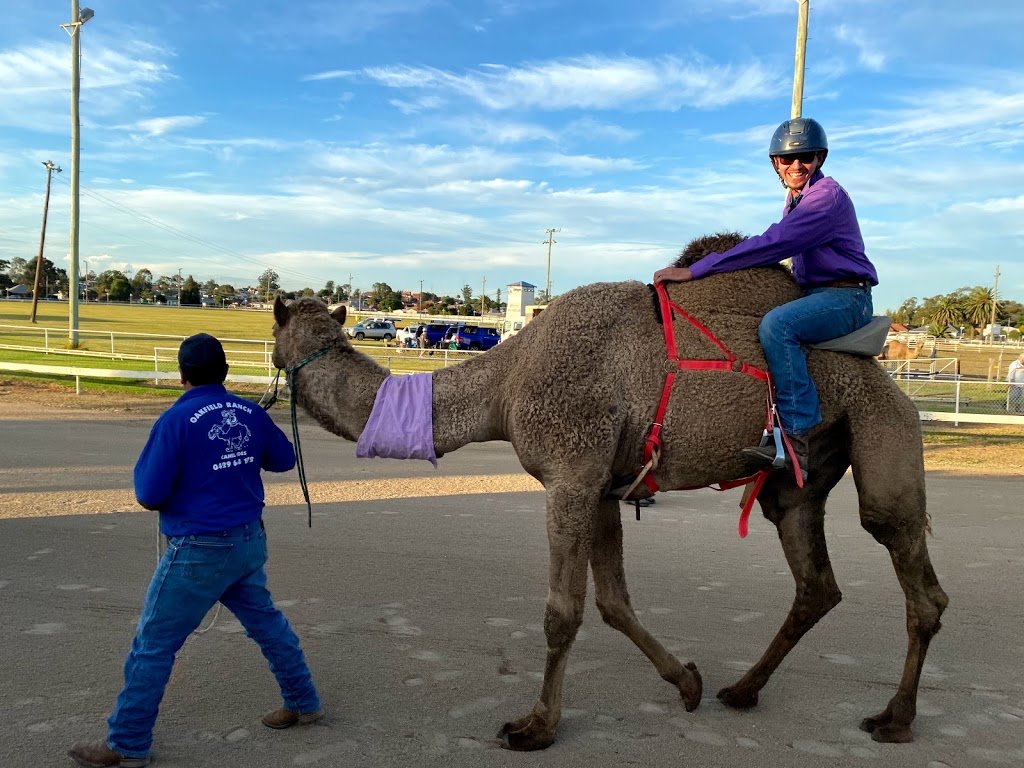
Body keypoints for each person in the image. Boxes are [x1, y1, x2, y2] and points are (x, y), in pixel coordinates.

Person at [69, 333, 322, 768]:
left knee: (153, 644)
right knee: (267, 625)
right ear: (225, 372)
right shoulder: (247, 411)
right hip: (246, 542)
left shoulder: (175, 419)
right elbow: (282, 460)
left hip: (199, 549)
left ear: (182, 374)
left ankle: (127, 744)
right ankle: (304, 701)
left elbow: (148, 493)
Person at [654, 117, 877, 479]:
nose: (796, 165)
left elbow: (776, 243)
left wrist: (698, 269)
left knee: (778, 325)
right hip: (816, 293)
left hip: (846, 297)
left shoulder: (825, 198)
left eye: (805, 157)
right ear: (775, 163)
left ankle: (795, 438)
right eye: (787, 160)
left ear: (819, 158)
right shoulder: (796, 197)